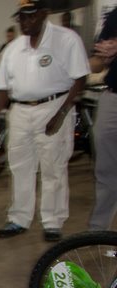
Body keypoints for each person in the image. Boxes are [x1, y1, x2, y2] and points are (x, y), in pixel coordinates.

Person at [0, 0, 89, 242]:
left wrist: (62, 113)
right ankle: (19, 219)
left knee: (53, 167)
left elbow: (80, 79)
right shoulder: (13, 49)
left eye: (31, 16)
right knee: (19, 166)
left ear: (44, 14)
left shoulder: (66, 40)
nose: (25, 22)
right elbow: (2, 89)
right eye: (22, 17)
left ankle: (52, 222)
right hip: (20, 111)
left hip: (54, 106)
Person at [88, 6, 117, 232]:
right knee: (106, 169)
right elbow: (98, 61)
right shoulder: (114, 15)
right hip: (112, 96)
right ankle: (98, 232)